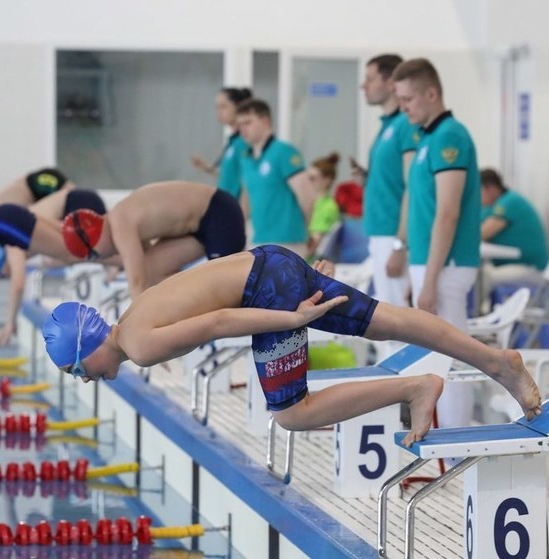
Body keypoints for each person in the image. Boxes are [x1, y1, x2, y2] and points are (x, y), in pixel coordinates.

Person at [42, 245, 542, 447]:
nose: (84, 378)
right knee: (383, 321)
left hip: (268, 290)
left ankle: (414, 389)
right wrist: (292, 276)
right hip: (270, 261)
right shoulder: (133, 314)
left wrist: (292, 316)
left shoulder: (139, 343)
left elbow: (218, 321)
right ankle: (498, 361)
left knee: (292, 413)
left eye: (76, 369)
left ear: (85, 348)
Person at [394, 58, 481, 432]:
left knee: (453, 357)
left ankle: (459, 443)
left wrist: (429, 278)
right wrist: (420, 273)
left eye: (409, 99)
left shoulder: (450, 137)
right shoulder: (428, 137)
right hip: (432, 264)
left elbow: (447, 213)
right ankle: (447, 438)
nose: (404, 108)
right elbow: (427, 211)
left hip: (447, 266)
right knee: (436, 357)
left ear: (432, 93)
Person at [0, 188, 106, 345]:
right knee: (54, 259)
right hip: (77, 203)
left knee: (63, 257)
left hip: (78, 204)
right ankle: (112, 261)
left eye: (2, 275)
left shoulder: (12, 244)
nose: (7, 276)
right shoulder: (2, 240)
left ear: (1, 263)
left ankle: (114, 262)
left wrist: (9, 323)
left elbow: (18, 284)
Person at [61, 181, 245, 298]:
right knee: (152, 270)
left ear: (92, 243)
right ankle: (190, 314)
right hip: (197, 227)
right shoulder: (119, 220)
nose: (101, 257)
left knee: (228, 291)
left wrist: (133, 329)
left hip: (219, 213)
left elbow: (136, 282)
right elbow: (140, 267)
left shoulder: (120, 224)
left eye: (95, 256)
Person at [357, 54, 419, 307]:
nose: (364, 85)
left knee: (399, 323)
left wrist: (400, 244)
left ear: (391, 81)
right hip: (380, 232)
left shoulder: (406, 124)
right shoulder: (387, 126)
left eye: (370, 79)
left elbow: (413, 189)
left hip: (394, 234)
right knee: (388, 320)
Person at [235, 99, 311, 255]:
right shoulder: (246, 159)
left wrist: (305, 230)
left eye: (247, 123)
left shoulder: (284, 152)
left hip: (288, 241)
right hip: (258, 239)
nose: (242, 129)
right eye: (240, 125)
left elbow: (307, 196)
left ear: (265, 121)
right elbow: (246, 200)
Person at [480, 168, 548, 297]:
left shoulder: (510, 202)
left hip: (529, 269)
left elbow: (482, 233)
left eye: (479, 191)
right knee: (477, 274)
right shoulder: (491, 207)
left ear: (491, 188)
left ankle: (481, 315)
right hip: (513, 266)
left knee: (482, 279)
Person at [191, 87, 252, 201]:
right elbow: (231, 177)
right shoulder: (233, 142)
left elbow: (248, 183)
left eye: (223, 106)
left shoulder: (245, 142)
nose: (218, 111)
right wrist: (208, 169)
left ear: (238, 107)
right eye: (217, 107)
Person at [306, 152, 341, 257]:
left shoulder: (328, 207)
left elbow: (313, 245)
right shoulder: (311, 202)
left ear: (327, 180)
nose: (307, 182)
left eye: (312, 178)